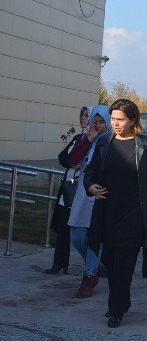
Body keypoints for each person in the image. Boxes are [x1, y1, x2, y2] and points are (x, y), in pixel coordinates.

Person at [85, 99, 147, 328]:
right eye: (113, 119)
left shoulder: (146, 145)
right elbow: (90, 172)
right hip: (107, 212)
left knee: (124, 264)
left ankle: (116, 309)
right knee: (109, 261)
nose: (115, 124)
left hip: (134, 214)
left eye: (120, 119)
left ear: (132, 121)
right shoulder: (103, 143)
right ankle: (122, 300)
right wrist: (89, 187)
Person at [68, 105, 110, 297]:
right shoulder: (86, 140)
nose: (99, 125)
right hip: (83, 193)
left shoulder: (112, 141)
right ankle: (97, 264)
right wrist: (89, 138)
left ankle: (89, 276)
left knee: (95, 237)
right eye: (96, 121)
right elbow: (72, 159)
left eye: (102, 122)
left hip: (101, 194)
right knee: (76, 236)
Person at [46, 106, 90, 275]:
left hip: (84, 188)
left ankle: (95, 265)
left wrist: (72, 160)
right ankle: (59, 263)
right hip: (68, 187)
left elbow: (75, 158)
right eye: (82, 115)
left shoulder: (96, 140)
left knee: (86, 231)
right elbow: (63, 157)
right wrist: (71, 162)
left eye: (87, 115)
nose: (83, 118)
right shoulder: (78, 138)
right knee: (63, 226)